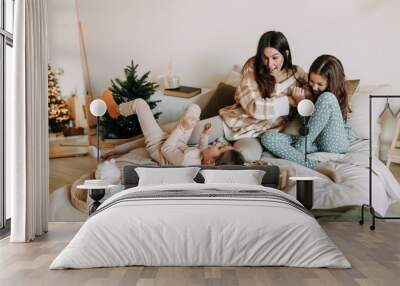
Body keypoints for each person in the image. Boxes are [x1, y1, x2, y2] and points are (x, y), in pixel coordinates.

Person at [260, 55, 352, 182]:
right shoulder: (307, 91)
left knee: (327, 97)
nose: (314, 87)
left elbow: (329, 121)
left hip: (334, 143)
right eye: (312, 81)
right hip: (311, 141)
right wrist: (301, 104)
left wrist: (301, 144)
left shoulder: (336, 96)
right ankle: (314, 165)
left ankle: (299, 150)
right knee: (267, 138)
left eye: (320, 84)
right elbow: (306, 125)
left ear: (332, 83)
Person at [102, 96, 245, 166]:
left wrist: (182, 127)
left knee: (140, 104)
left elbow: (166, 148)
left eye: (219, 147)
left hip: (158, 144)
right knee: (195, 109)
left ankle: (116, 110)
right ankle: (180, 125)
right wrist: (204, 135)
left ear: (210, 162)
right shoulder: (205, 161)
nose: (216, 144)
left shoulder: (185, 161)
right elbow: (203, 151)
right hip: (179, 143)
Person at [218, 31, 307, 141]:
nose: (269, 64)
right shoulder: (253, 66)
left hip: (261, 133)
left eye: (275, 58)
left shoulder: (298, 75)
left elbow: (311, 101)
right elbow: (254, 107)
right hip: (234, 121)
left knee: (246, 154)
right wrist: (287, 100)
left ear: (286, 54)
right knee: (196, 132)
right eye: (265, 58)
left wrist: (300, 101)